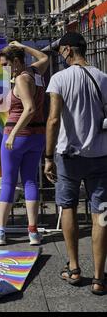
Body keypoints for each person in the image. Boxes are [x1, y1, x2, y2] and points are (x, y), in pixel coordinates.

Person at [45, 31, 107, 295]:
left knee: (67, 207)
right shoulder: (103, 77)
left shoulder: (59, 79)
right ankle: (99, 277)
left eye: (61, 50)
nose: (60, 54)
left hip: (68, 155)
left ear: (69, 50)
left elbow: (53, 120)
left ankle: (74, 268)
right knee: (101, 214)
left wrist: (48, 157)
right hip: (101, 154)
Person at [0, 41, 49, 246]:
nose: (4, 68)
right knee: (29, 181)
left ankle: (0, 231)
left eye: (6, 63)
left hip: (18, 135)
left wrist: (12, 135)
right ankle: (33, 232)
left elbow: (29, 108)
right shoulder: (35, 72)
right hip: (36, 136)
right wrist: (23, 47)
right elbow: (44, 58)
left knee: (8, 181)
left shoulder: (21, 79)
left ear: (16, 62)